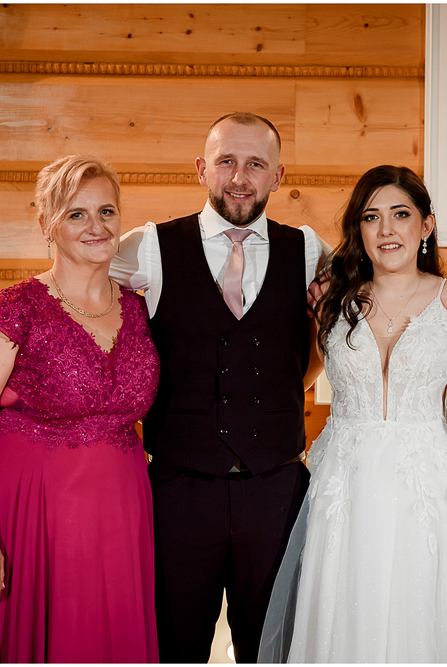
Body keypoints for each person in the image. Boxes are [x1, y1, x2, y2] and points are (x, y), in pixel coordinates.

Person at [109, 112, 329, 663]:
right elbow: (76, 283)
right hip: (180, 490)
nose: (239, 177)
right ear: (201, 168)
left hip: (276, 489)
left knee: (274, 647)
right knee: (174, 646)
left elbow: (353, 314)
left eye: (255, 164)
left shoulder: (308, 250)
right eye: (226, 161)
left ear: (278, 175)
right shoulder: (150, 247)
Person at [0, 155, 160, 662]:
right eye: (77, 214)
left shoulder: (140, 308)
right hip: (28, 515)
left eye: (106, 211)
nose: (96, 226)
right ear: (46, 225)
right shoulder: (16, 308)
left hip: (120, 514)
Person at [259, 165, 447, 663]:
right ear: (359, 230)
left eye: (400, 214)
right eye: (371, 217)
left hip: (425, 484)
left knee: (422, 612)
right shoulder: (332, 301)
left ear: (426, 225)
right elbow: (300, 377)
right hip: (347, 483)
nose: (386, 229)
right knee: (343, 612)